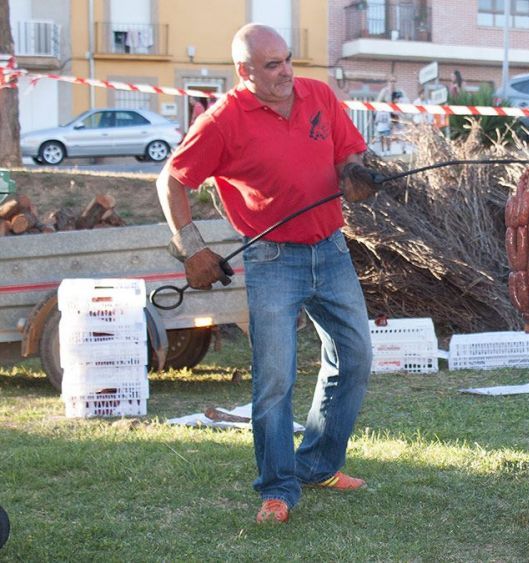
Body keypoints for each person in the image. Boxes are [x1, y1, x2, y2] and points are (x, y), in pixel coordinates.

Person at [155, 23, 384, 525]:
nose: (287, 74)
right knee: (275, 380)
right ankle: (278, 488)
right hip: (273, 261)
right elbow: (171, 180)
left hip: (331, 248)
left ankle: (318, 464)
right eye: (273, 65)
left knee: (356, 357)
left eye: (288, 60)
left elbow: (349, 152)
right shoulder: (222, 121)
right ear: (245, 72)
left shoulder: (318, 94)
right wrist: (190, 249)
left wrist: (356, 173)